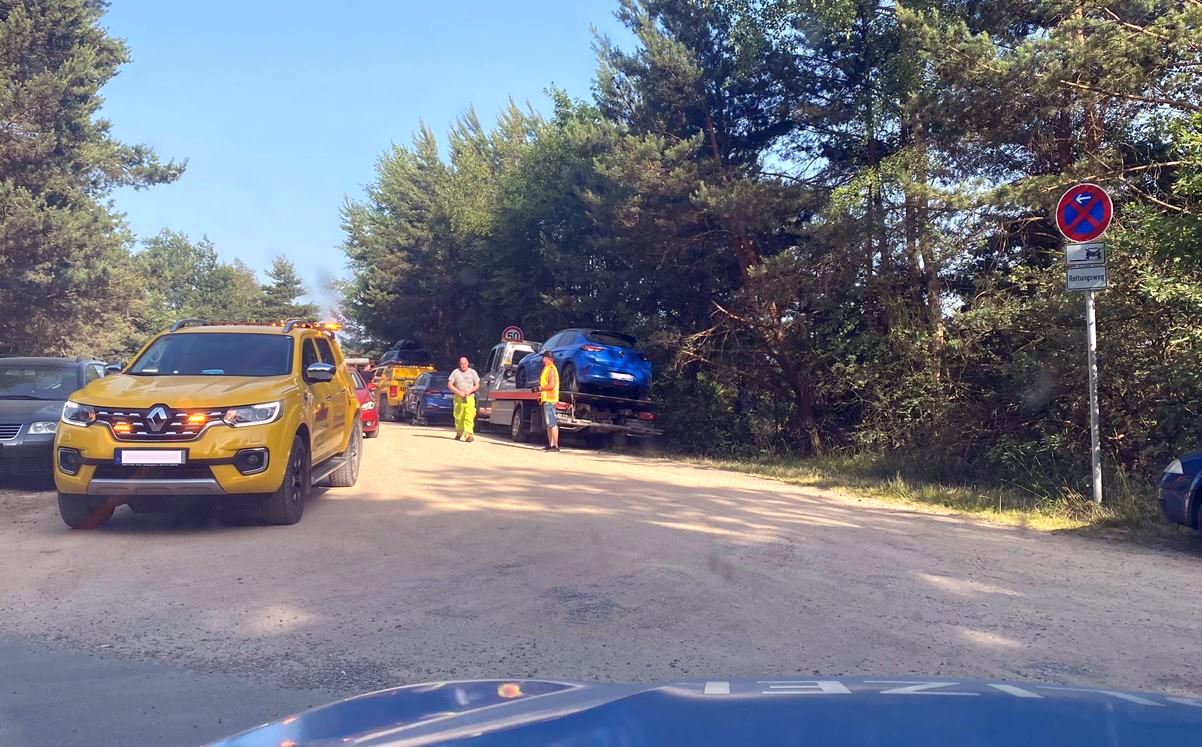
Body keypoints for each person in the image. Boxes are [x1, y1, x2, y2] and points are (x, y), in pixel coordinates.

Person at [447, 356, 480, 442]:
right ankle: (459, 432)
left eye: (465, 364)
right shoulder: (455, 372)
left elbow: (477, 385)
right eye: (462, 364)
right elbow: (450, 384)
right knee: (459, 416)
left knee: (469, 416)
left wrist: (470, 391)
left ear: (468, 363)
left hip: (469, 397)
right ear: (459, 364)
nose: (463, 366)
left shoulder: (473, 372)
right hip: (458, 398)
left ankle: (469, 435)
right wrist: (458, 392)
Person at [535, 349, 560, 452]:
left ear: (547, 358)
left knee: (552, 423)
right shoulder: (547, 368)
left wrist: (540, 389)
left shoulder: (551, 369)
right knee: (549, 423)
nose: (542, 359)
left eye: (543, 357)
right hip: (546, 399)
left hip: (550, 399)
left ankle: (555, 446)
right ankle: (551, 444)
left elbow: (551, 385)